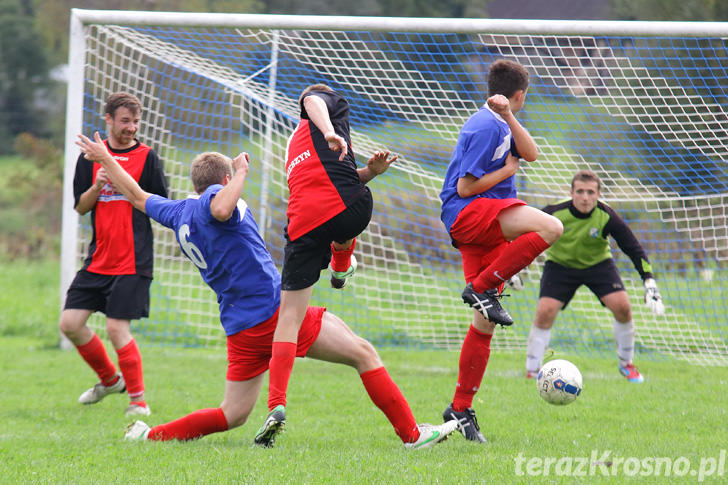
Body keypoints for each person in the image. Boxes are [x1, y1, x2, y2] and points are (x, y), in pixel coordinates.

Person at [75, 133, 457, 450]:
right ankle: (412, 435)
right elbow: (222, 209)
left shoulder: (179, 213)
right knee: (363, 353)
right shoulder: (217, 200)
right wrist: (241, 172)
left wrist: (107, 159)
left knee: (232, 414)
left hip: (241, 328)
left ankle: (150, 436)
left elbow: (137, 196)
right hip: (274, 314)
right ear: (223, 180)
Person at [262, 84, 398, 442]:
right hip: (347, 211)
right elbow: (311, 99)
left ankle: (276, 403)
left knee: (288, 317)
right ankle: (341, 263)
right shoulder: (324, 104)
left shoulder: (293, 145)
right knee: (355, 206)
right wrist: (330, 131)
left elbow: (330, 184)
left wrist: (371, 170)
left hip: (301, 226)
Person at [438, 59, 563, 443]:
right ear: (522, 93)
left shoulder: (502, 121)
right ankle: (484, 286)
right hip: (467, 213)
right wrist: (508, 173)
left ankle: (459, 408)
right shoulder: (483, 125)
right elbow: (464, 189)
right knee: (551, 226)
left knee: (484, 323)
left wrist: (510, 116)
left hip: (485, 224)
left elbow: (532, 152)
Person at [59, 92, 168, 417]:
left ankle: (139, 403)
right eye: (125, 121)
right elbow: (80, 207)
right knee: (70, 324)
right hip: (98, 260)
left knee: (117, 329)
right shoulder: (90, 158)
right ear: (108, 119)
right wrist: (97, 187)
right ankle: (110, 380)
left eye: (135, 121)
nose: (131, 128)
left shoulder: (148, 158)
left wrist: (127, 187)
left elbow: (162, 205)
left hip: (133, 260)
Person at [525, 169, 665, 383]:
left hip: (598, 264)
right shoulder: (553, 212)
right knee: (545, 311)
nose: (585, 197)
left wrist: (649, 281)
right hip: (560, 265)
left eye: (590, 192)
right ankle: (533, 370)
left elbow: (633, 248)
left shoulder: (606, 215)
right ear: (571, 192)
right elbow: (527, 238)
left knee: (623, 306)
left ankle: (627, 364)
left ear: (598, 194)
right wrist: (519, 270)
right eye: (580, 191)